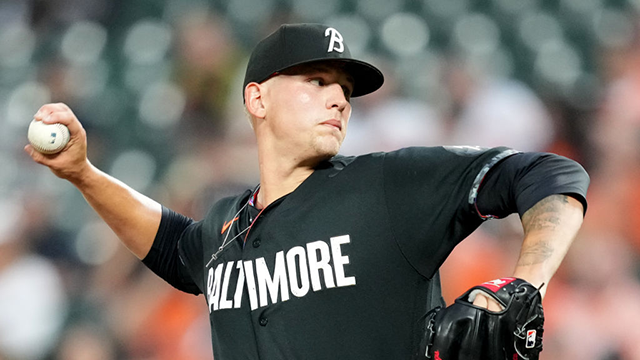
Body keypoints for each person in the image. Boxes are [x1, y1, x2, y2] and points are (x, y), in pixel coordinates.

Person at [26, 23, 589, 360]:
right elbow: (174, 246)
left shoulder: (390, 185)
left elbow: (551, 176)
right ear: (256, 100)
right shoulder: (226, 226)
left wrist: (524, 285)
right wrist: (84, 174)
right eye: (316, 82)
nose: (339, 99)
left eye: (344, 89)